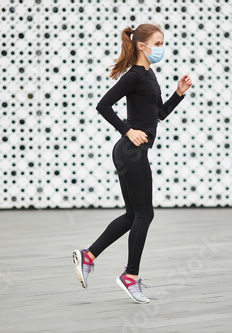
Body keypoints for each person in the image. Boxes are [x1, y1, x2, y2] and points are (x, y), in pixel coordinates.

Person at [73, 23, 192, 303]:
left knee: (133, 215)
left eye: (163, 43)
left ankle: (88, 256)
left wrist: (178, 93)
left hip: (132, 152)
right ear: (142, 45)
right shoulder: (135, 75)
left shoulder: (150, 76)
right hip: (131, 151)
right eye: (158, 43)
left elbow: (158, 114)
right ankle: (131, 276)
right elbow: (103, 105)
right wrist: (127, 130)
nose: (161, 48)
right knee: (145, 214)